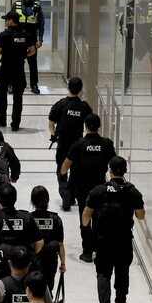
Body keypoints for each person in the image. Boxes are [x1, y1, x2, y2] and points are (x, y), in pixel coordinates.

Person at [82, 155, 146, 303]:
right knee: (122, 269)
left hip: (103, 240)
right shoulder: (132, 191)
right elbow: (140, 216)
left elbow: (86, 215)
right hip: (124, 239)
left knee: (103, 272)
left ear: (109, 171)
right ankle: (120, 302)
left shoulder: (99, 190)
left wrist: (87, 228)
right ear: (125, 171)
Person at [60, 113, 116, 261]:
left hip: (83, 186)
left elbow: (66, 165)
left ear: (85, 126)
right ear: (99, 126)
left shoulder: (79, 144)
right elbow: (114, 164)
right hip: (100, 186)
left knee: (85, 217)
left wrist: (63, 174)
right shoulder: (107, 144)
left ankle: (87, 251)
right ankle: (98, 247)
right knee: (99, 217)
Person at [48, 77, 92, 208]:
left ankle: (64, 191)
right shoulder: (84, 107)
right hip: (77, 143)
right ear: (81, 89)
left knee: (61, 168)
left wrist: (53, 134)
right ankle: (72, 195)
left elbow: (51, 123)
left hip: (63, 142)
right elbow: (90, 124)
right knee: (75, 170)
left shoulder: (60, 104)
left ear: (68, 87)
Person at [0, 12, 31, 131]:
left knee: (2, 96)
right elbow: (32, 50)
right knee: (18, 97)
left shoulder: (4, 35)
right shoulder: (25, 34)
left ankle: (2, 120)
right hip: (19, 68)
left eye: (6, 19)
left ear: (10, 21)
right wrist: (23, 55)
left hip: (6, 69)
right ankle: (15, 124)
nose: (5, 22)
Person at [29, 186, 65, 291]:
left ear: (32, 201)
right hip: (51, 259)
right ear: (47, 200)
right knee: (48, 288)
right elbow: (60, 244)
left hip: (33, 260)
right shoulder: (55, 219)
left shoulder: (29, 218)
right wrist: (63, 264)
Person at [12, 0, 44, 94]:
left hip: (31, 39)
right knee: (16, 62)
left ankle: (34, 84)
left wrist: (40, 39)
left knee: (32, 63)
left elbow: (41, 23)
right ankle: (13, 83)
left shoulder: (36, 5)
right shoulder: (16, 5)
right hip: (18, 38)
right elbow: (11, 21)